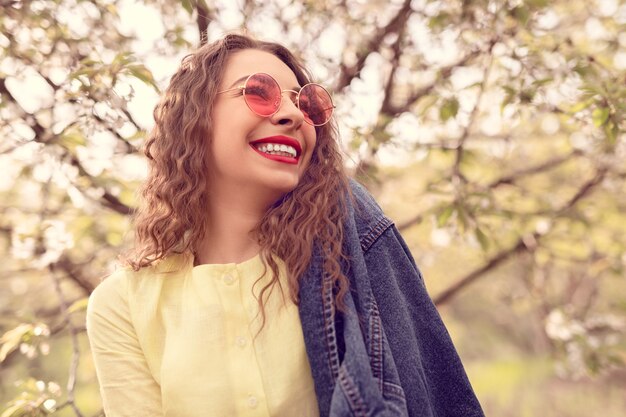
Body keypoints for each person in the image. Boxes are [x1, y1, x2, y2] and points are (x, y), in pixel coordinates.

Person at [86, 33, 485, 417]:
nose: (294, 115)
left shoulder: (349, 244)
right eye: (258, 92)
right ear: (194, 120)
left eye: (307, 105)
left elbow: (434, 393)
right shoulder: (122, 306)